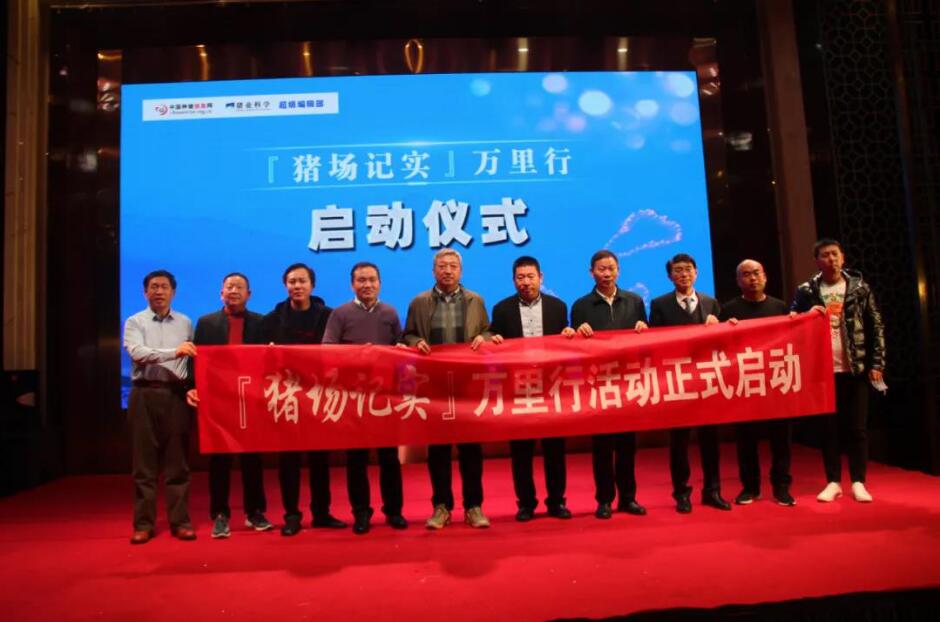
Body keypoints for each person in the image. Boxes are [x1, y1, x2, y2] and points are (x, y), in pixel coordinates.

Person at [401, 248, 502, 529]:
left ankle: (474, 506)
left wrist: (484, 337)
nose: (447, 270)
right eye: (442, 266)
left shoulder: (475, 300)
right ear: (433, 270)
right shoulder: (419, 302)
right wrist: (415, 342)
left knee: (471, 449)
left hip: (467, 384)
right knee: (438, 451)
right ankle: (441, 507)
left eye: (453, 266)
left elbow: (487, 330)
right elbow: (408, 334)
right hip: (434, 385)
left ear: (461, 270)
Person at [790, 239, 885, 503]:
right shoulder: (806, 290)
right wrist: (806, 314)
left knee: (857, 428)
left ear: (843, 257)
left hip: (855, 367)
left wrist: (877, 363)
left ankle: (858, 481)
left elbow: (875, 325)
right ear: (816, 261)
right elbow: (792, 322)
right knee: (828, 429)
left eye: (835, 254)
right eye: (825, 255)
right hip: (822, 369)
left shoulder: (859, 287)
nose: (831, 259)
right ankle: (833, 481)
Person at [322, 262, 409, 534]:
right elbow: (327, 349)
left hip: (385, 397)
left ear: (380, 283)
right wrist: (359, 355)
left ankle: (394, 511)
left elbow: (400, 346)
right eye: (361, 280)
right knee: (356, 459)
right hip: (354, 397)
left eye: (372, 280)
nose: (367, 285)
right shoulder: (340, 314)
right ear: (352, 284)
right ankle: (361, 513)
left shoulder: (390, 312)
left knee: (389, 458)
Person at [186, 273, 274, 538]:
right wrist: (193, 386)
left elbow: (268, 359)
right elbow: (196, 359)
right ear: (221, 293)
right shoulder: (206, 323)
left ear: (249, 294)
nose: (234, 291)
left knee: (252, 458)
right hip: (219, 398)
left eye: (239, 287)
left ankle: (255, 512)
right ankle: (220, 514)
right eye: (229, 287)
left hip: (251, 398)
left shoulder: (261, 322)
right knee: (219, 459)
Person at [490, 256, 576, 522]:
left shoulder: (558, 307)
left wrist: (569, 335)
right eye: (520, 277)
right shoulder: (502, 309)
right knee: (521, 451)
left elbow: (566, 342)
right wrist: (493, 339)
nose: (525, 282)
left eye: (530, 276)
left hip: (551, 386)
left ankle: (556, 501)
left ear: (541, 277)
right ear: (513, 280)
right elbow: (493, 341)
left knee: (555, 449)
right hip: (518, 388)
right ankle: (526, 503)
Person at [263, 262, 347, 535]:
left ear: (312, 285)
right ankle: (291, 514)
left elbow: (340, 353)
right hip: (286, 397)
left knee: (319, 459)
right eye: (292, 282)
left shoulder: (329, 316)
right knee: (289, 460)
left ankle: (321, 512)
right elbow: (259, 359)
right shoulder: (272, 320)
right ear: (285, 285)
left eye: (302, 281)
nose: (297, 286)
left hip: (319, 395)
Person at [649, 253, 731, 513]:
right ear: (669, 276)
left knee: (710, 440)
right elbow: (655, 343)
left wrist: (720, 327)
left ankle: (713, 491)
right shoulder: (660, 304)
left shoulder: (710, 302)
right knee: (679, 442)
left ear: (696, 273)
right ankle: (681, 493)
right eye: (678, 270)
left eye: (688, 269)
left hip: (706, 380)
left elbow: (724, 343)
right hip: (678, 381)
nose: (683, 274)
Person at [571, 250, 649, 519]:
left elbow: (647, 340)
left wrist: (644, 328)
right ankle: (604, 500)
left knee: (627, 445)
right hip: (598, 385)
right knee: (602, 447)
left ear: (618, 271)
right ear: (591, 272)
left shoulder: (634, 301)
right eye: (601, 269)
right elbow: (573, 346)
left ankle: (628, 498)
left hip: (628, 383)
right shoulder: (581, 305)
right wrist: (578, 333)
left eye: (611, 268)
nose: (606, 273)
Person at [123, 269, 197, 543]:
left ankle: (181, 522)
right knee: (144, 465)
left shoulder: (185, 323)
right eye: (153, 287)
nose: (159, 291)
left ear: (173, 292)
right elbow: (138, 353)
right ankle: (143, 524)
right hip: (144, 394)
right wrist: (173, 352)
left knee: (178, 463)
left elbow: (190, 360)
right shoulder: (135, 322)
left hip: (176, 396)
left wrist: (193, 387)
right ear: (145, 292)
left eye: (164, 287)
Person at [719, 260, 795, 506]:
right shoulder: (729, 309)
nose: (752, 278)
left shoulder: (780, 307)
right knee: (746, 440)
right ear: (738, 280)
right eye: (746, 274)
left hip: (775, 382)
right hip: (746, 383)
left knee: (780, 439)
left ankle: (781, 487)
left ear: (765, 276)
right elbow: (720, 346)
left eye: (756, 273)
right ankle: (750, 487)